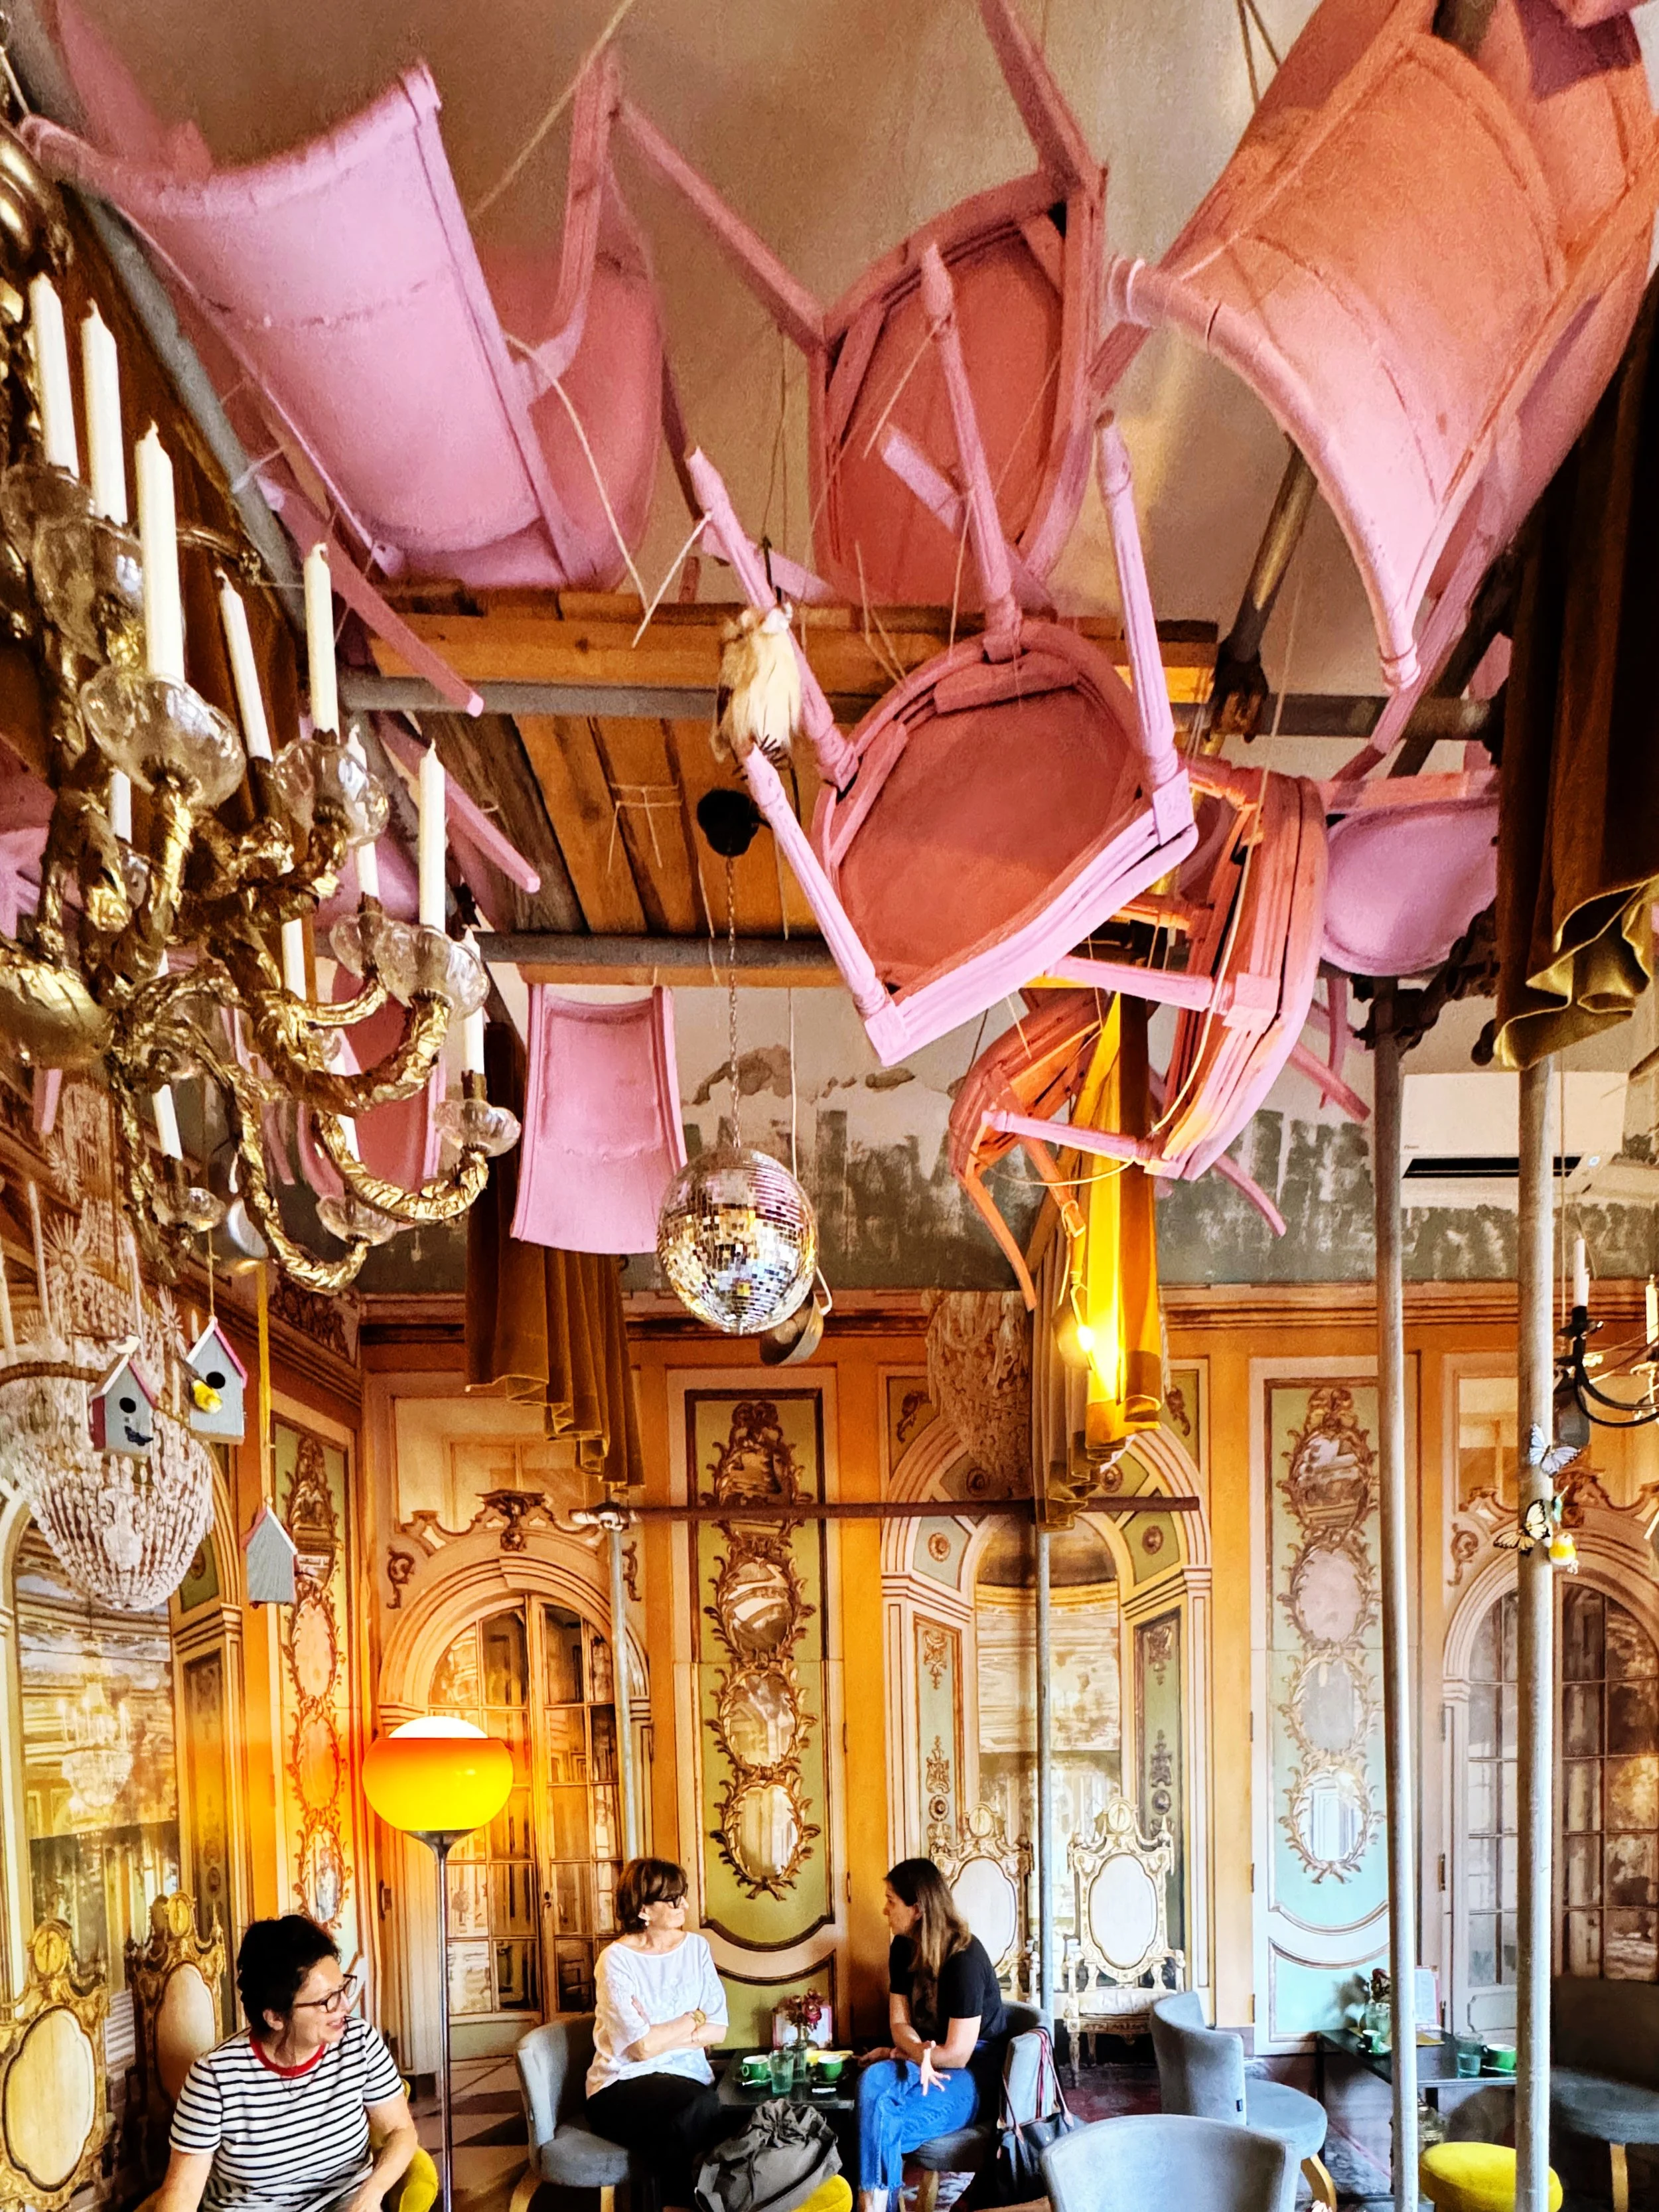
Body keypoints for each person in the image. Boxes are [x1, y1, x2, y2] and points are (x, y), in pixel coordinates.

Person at [154, 1914, 418, 2212]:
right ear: (276, 2017)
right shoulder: (214, 2078)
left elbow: (400, 2131)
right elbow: (181, 2195)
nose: (345, 2006)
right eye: (327, 2000)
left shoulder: (359, 2043)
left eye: (343, 1988)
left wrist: (370, 2196)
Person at [855, 1859, 1007, 2212]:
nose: (884, 1909)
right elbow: (899, 2024)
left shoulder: (964, 1957)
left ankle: (873, 2204)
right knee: (873, 2082)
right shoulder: (901, 1948)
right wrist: (910, 2050)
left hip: (973, 2073)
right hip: (923, 2057)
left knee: (875, 2120)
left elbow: (957, 2054)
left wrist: (900, 2053)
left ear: (918, 1909)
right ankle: (878, 2204)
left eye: (891, 1901)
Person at [586, 1857, 737, 2206]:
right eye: (673, 1899)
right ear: (643, 1909)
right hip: (620, 2085)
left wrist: (659, 2032)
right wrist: (694, 2017)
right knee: (697, 2110)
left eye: (683, 1896)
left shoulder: (696, 1949)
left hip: (686, 2079)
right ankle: (688, 2205)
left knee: (701, 2110)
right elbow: (640, 2050)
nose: (684, 1904)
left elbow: (720, 2030)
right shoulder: (616, 1960)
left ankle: (667, 2204)